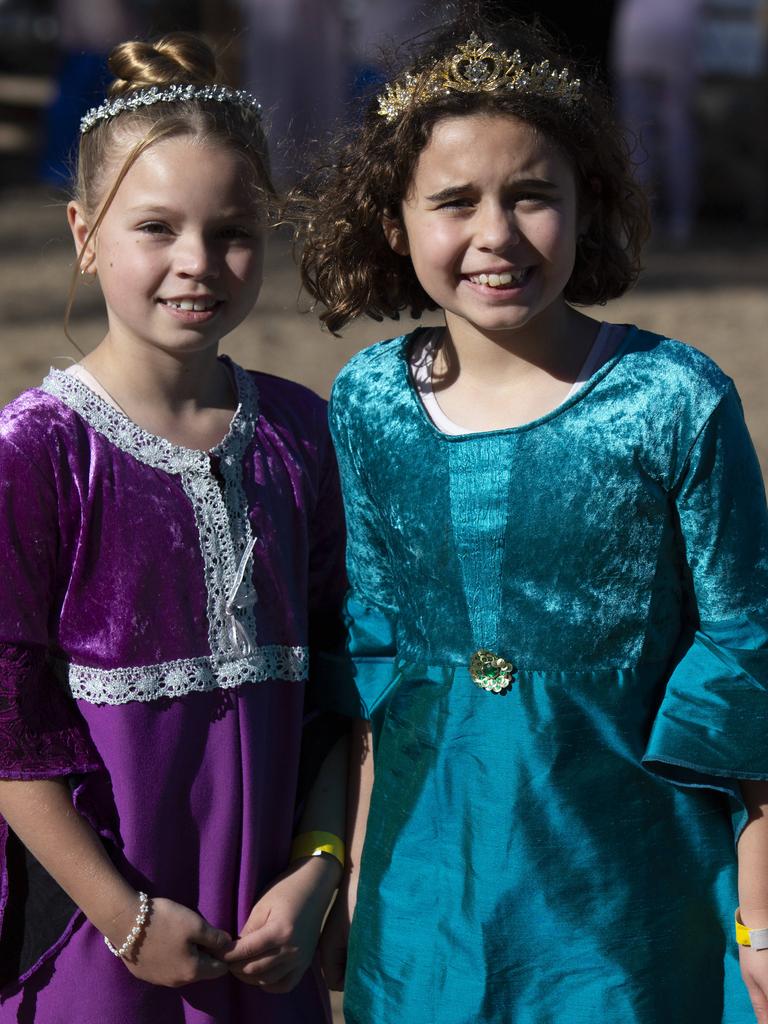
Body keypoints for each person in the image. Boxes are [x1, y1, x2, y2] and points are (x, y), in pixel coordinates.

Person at [299, 10, 768, 1024]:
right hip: (423, 901)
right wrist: (345, 871)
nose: (495, 235)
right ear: (396, 220)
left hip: (628, 901)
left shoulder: (674, 399)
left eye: (531, 197)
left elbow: (746, 647)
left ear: (587, 205)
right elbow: (374, 667)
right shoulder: (367, 403)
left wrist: (761, 911)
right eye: (455, 202)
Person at [0, 32, 348, 1023]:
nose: (197, 262)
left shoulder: (299, 433)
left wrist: (316, 871)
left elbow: (341, 681)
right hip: (103, 938)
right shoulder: (37, 450)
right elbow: (6, 727)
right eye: (155, 227)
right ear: (83, 233)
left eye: (231, 229)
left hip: (264, 939)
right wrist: (125, 918)